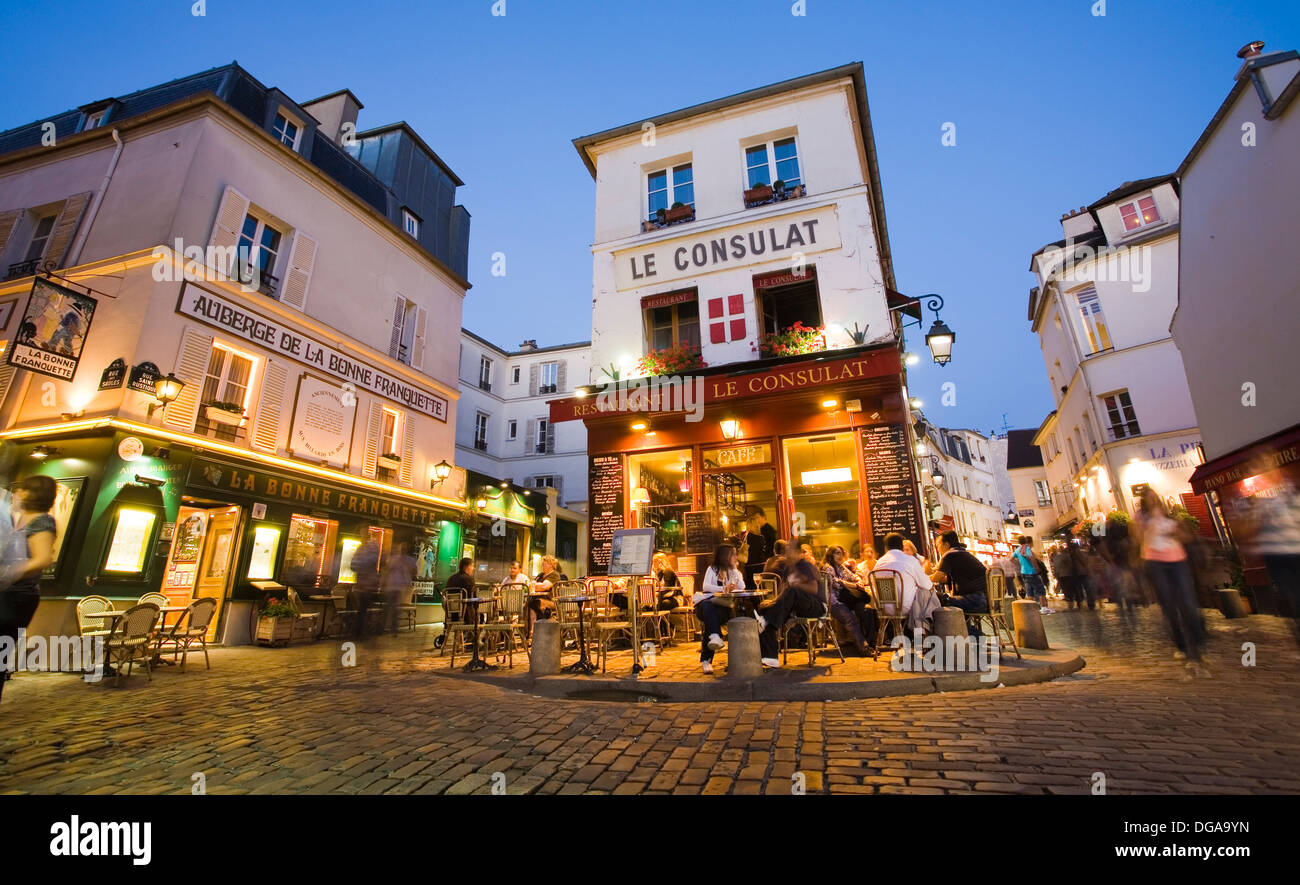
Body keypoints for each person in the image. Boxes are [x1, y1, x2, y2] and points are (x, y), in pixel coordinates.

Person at [1135, 487, 1208, 676]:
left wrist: (1176, 532)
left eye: (1154, 497)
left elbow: (1187, 536)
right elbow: (1138, 539)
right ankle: (1181, 644)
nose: (1152, 500)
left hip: (1178, 561)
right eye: (1148, 498)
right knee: (1169, 606)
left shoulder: (1171, 514)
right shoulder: (1140, 519)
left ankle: (1196, 642)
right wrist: (1146, 529)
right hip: (1155, 563)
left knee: (1189, 605)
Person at [0, 476, 56, 703]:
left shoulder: (41, 522)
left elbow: (43, 558)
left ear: (29, 494)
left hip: (16, 596)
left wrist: (11, 571)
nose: (16, 495)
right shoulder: (20, 520)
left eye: (20, 491)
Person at [754, 544, 826, 667]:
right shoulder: (789, 568)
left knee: (791, 592)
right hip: (795, 606)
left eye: (790, 551)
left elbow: (813, 589)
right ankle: (770, 657)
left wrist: (796, 585)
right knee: (765, 609)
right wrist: (774, 602)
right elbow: (784, 588)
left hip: (815, 606)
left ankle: (766, 620)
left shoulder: (806, 566)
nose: (788, 554)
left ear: (798, 553)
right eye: (787, 552)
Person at [694, 544, 745, 674]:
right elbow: (705, 586)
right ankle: (715, 636)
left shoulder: (735, 571)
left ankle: (708, 655)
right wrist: (723, 588)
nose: (735, 557)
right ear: (725, 556)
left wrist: (734, 569)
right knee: (709, 607)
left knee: (712, 622)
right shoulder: (712, 569)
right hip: (706, 605)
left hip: (723, 607)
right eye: (732, 554)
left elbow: (742, 586)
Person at [875, 533, 939, 631]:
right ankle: (922, 631)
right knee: (926, 593)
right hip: (905, 607)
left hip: (883, 608)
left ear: (886, 547)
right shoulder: (910, 560)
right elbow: (927, 585)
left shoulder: (879, 563)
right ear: (901, 546)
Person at [931, 531, 989, 637]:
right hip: (986, 599)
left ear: (946, 544)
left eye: (938, 545)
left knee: (939, 603)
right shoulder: (962, 553)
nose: (937, 548)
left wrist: (920, 578)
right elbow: (944, 578)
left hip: (977, 600)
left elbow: (937, 577)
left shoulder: (950, 555)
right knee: (947, 603)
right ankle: (974, 637)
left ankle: (978, 636)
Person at [822, 545, 876, 655]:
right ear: (830, 555)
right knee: (850, 619)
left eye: (841, 553)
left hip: (847, 599)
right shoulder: (828, 567)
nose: (840, 556)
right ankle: (863, 647)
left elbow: (852, 576)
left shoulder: (840, 566)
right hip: (833, 601)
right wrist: (855, 586)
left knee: (867, 610)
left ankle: (871, 644)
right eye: (837, 553)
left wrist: (858, 580)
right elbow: (836, 584)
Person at [381, 542, 417, 636]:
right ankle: (391, 628)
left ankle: (388, 628)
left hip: (400, 587)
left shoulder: (409, 560)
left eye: (404, 548)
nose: (402, 550)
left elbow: (414, 571)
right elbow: (387, 570)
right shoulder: (394, 559)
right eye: (401, 548)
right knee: (392, 607)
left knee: (392, 607)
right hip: (392, 586)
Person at [350, 538, 381, 638]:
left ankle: (359, 632)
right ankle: (362, 632)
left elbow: (353, 566)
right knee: (364, 610)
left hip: (361, 586)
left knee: (362, 610)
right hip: (368, 587)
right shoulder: (370, 555)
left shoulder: (361, 551)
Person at [524, 555, 563, 633]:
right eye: (542, 564)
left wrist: (535, 585)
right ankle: (528, 633)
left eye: (545, 564)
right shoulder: (541, 575)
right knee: (526, 606)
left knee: (533, 604)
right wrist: (535, 585)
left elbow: (544, 586)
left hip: (552, 601)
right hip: (538, 599)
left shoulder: (554, 575)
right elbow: (530, 585)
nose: (542, 566)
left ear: (551, 565)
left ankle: (533, 632)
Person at [1013, 537, 1051, 613]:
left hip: (1024, 573)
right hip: (1031, 572)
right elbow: (1031, 558)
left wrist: (1020, 565)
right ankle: (1044, 608)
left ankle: (1031, 609)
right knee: (1041, 590)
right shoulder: (1027, 548)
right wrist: (1036, 567)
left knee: (1029, 591)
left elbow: (1011, 559)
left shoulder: (1017, 550)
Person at [743, 507, 777, 588]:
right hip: (761, 564)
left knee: (751, 585)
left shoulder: (748, 537)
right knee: (760, 586)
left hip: (750, 565)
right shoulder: (761, 537)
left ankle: (754, 599)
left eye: (757, 517)